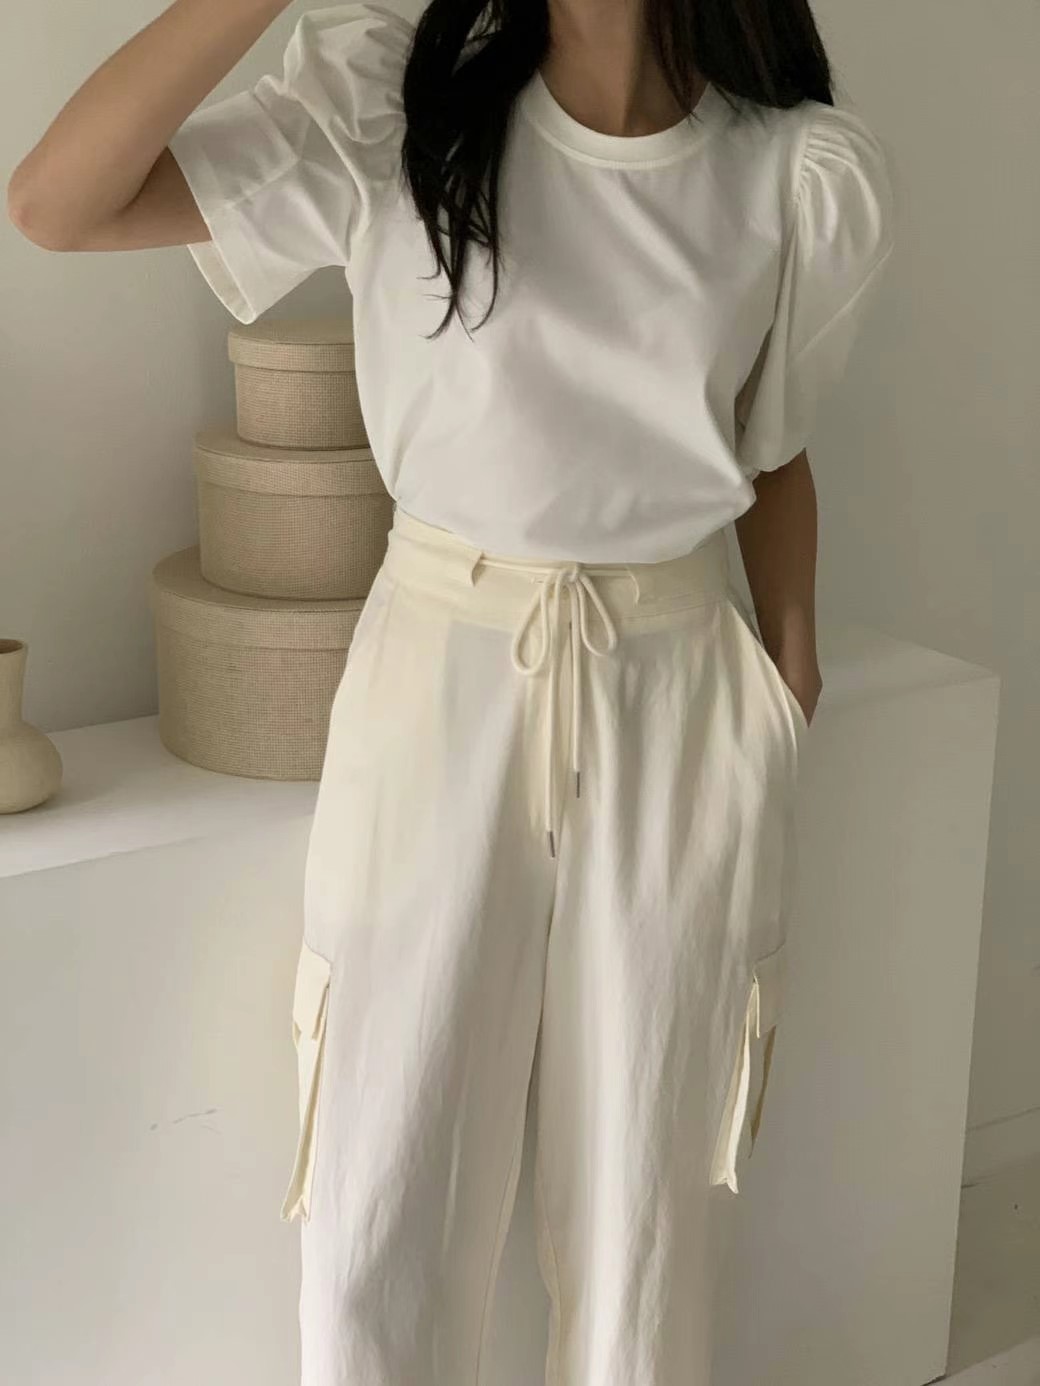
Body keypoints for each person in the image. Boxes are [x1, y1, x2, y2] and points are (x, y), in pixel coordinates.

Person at [8, 0, 896, 1381]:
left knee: (651, 1205)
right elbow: (58, 204)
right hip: (440, 675)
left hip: (680, 688)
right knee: (383, 1181)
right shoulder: (395, 107)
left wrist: (787, 678)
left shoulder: (788, 168)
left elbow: (773, 447)